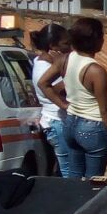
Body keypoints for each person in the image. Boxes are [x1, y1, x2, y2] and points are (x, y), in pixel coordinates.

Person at [39, 17, 107, 178]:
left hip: (71, 123)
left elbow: (43, 83)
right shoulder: (96, 70)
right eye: (102, 36)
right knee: (94, 181)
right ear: (95, 40)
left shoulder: (64, 59)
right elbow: (105, 108)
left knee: (74, 175)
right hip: (93, 125)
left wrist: (63, 105)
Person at [29, 23, 73, 177]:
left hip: (58, 121)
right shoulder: (45, 68)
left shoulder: (43, 62)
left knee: (67, 168)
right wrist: (66, 69)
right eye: (66, 44)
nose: (70, 48)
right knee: (68, 169)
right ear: (53, 47)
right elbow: (56, 89)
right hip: (56, 121)